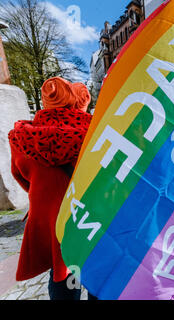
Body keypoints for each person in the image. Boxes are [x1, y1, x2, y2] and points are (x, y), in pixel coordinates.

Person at [8, 77, 95, 300]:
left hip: (52, 216)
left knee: (63, 271)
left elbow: (20, 175)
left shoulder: (22, 137)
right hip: (91, 212)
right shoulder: (94, 131)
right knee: (96, 269)